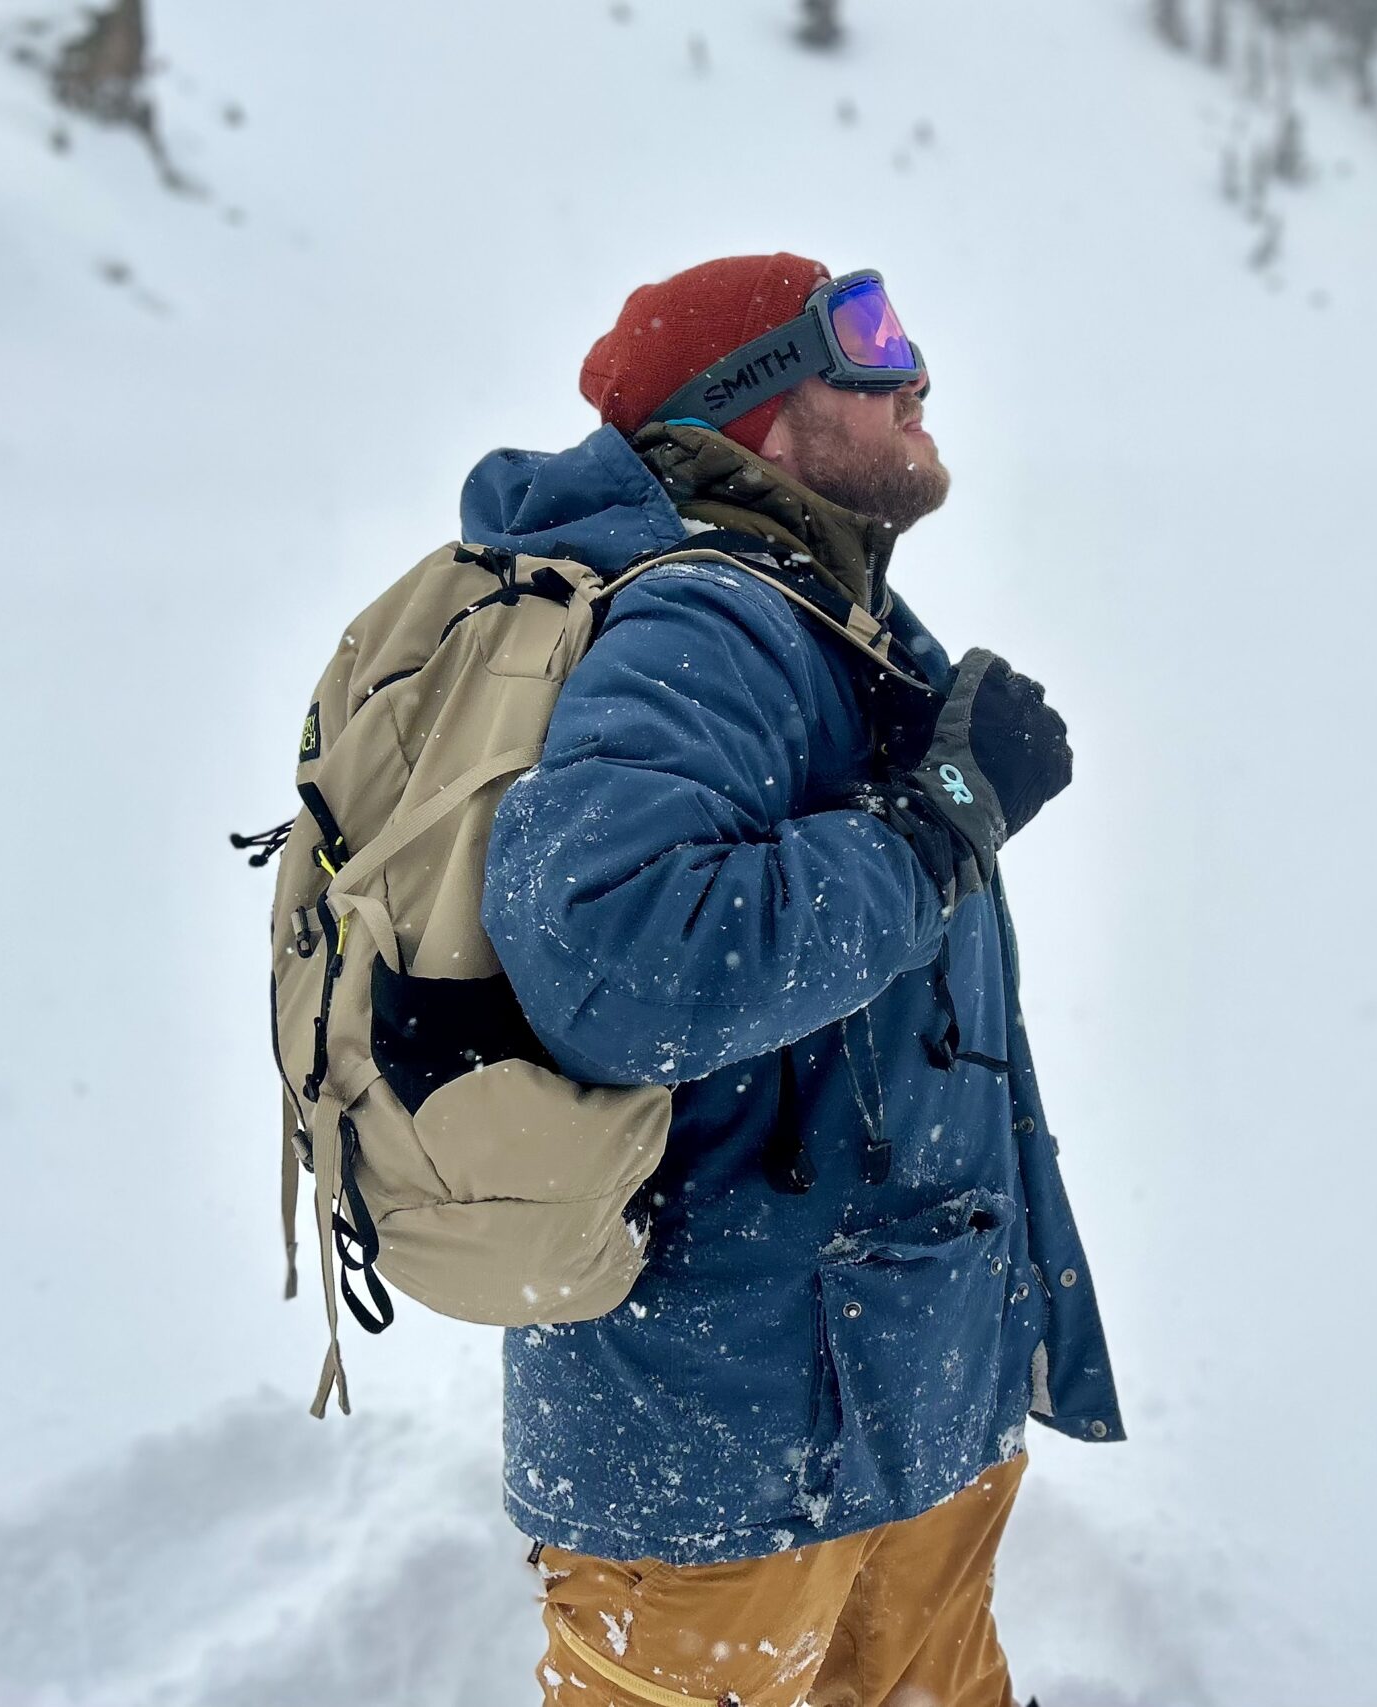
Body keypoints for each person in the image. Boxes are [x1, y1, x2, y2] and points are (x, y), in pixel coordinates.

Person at [474, 253, 1123, 1707]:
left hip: (899, 1398)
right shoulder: (704, 627)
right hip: (724, 1450)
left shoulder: (831, 624)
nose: (916, 375)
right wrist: (939, 821)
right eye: (868, 342)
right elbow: (616, 960)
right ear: (756, 406)